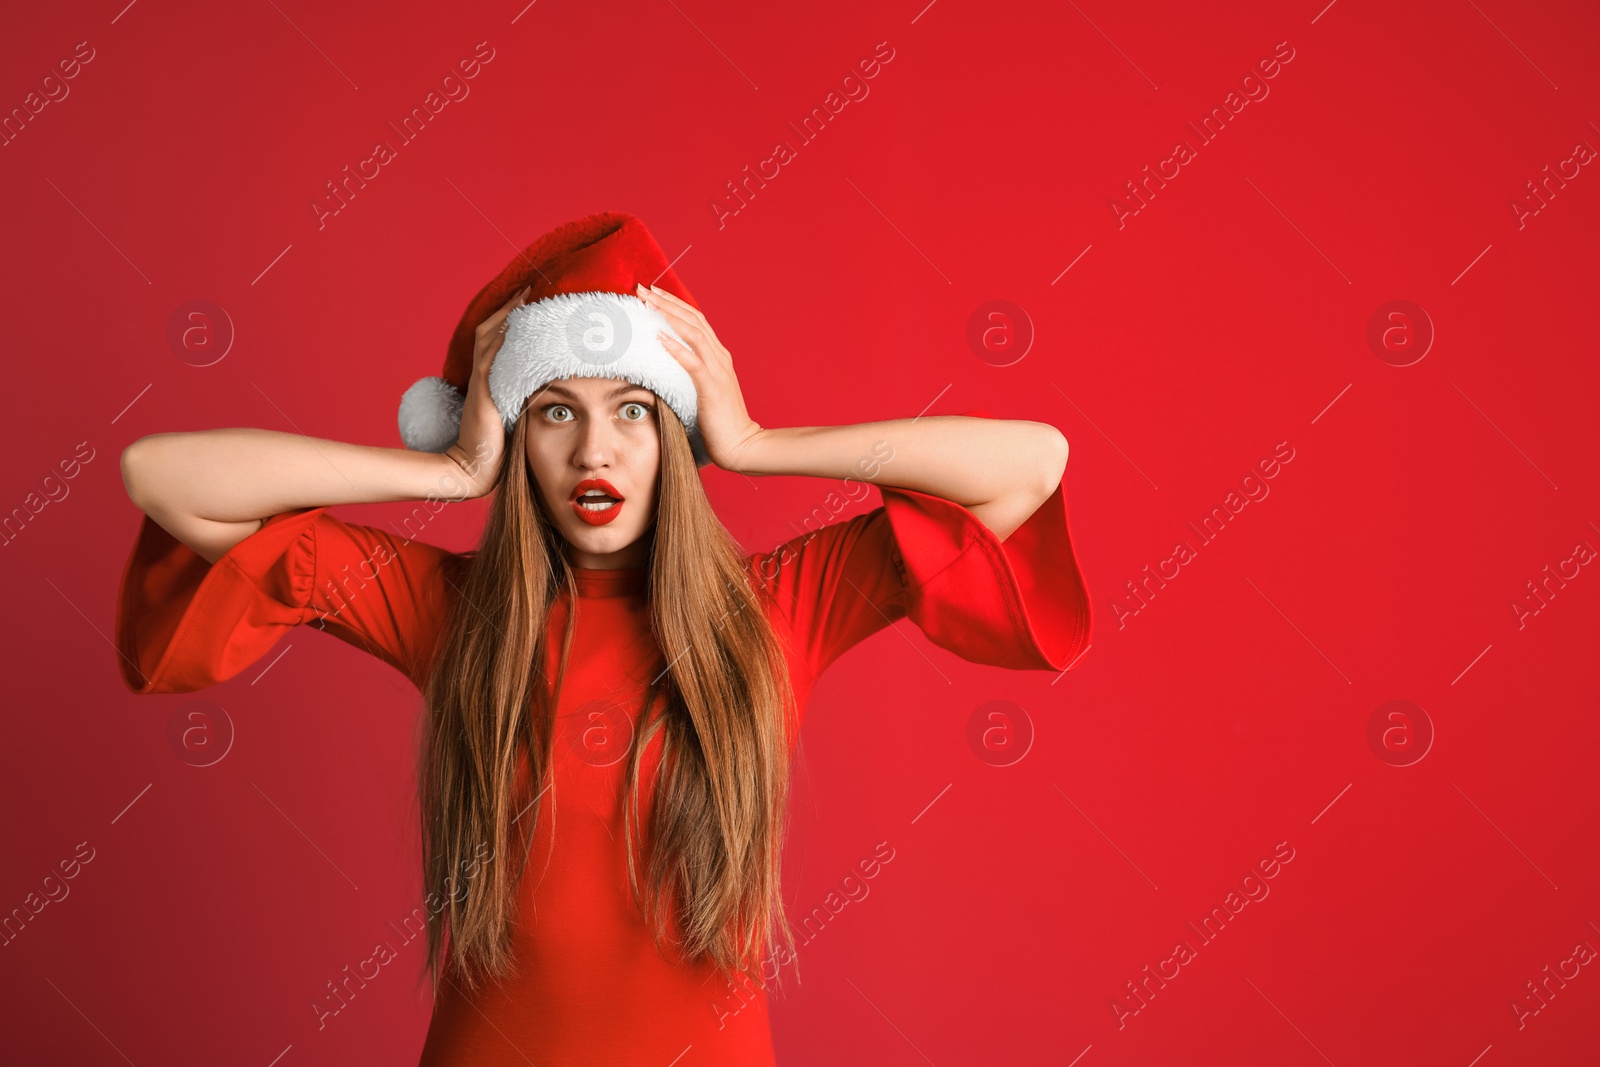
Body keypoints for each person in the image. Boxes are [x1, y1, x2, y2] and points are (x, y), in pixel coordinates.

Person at [113, 213, 1092, 1066]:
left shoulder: (778, 605)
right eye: (553, 412)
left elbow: (1029, 462)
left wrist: (753, 442)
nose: (594, 450)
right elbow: (162, 473)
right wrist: (452, 471)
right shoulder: (449, 610)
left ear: (677, 432)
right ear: (514, 437)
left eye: (633, 409)